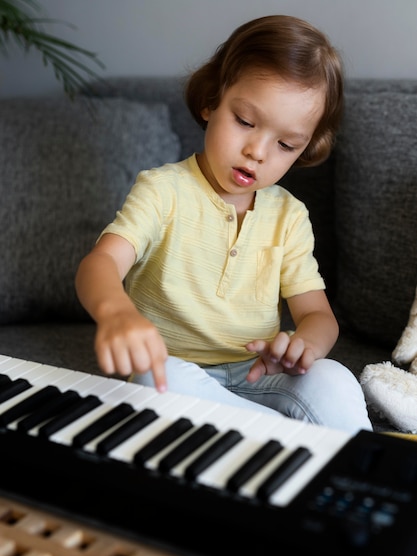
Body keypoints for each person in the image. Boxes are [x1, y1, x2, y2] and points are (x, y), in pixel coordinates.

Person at [76, 15, 371, 434]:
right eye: (245, 122)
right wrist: (115, 313)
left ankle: (355, 461)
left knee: (334, 379)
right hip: (177, 370)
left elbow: (318, 316)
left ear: (305, 149)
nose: (257, 151)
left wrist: (304, 345)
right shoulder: (163, 191)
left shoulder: (289, 216)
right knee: (155, 381)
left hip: (261, 372)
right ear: (211, 100)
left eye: (285, 144)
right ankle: (291, 439)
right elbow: (100, 263)